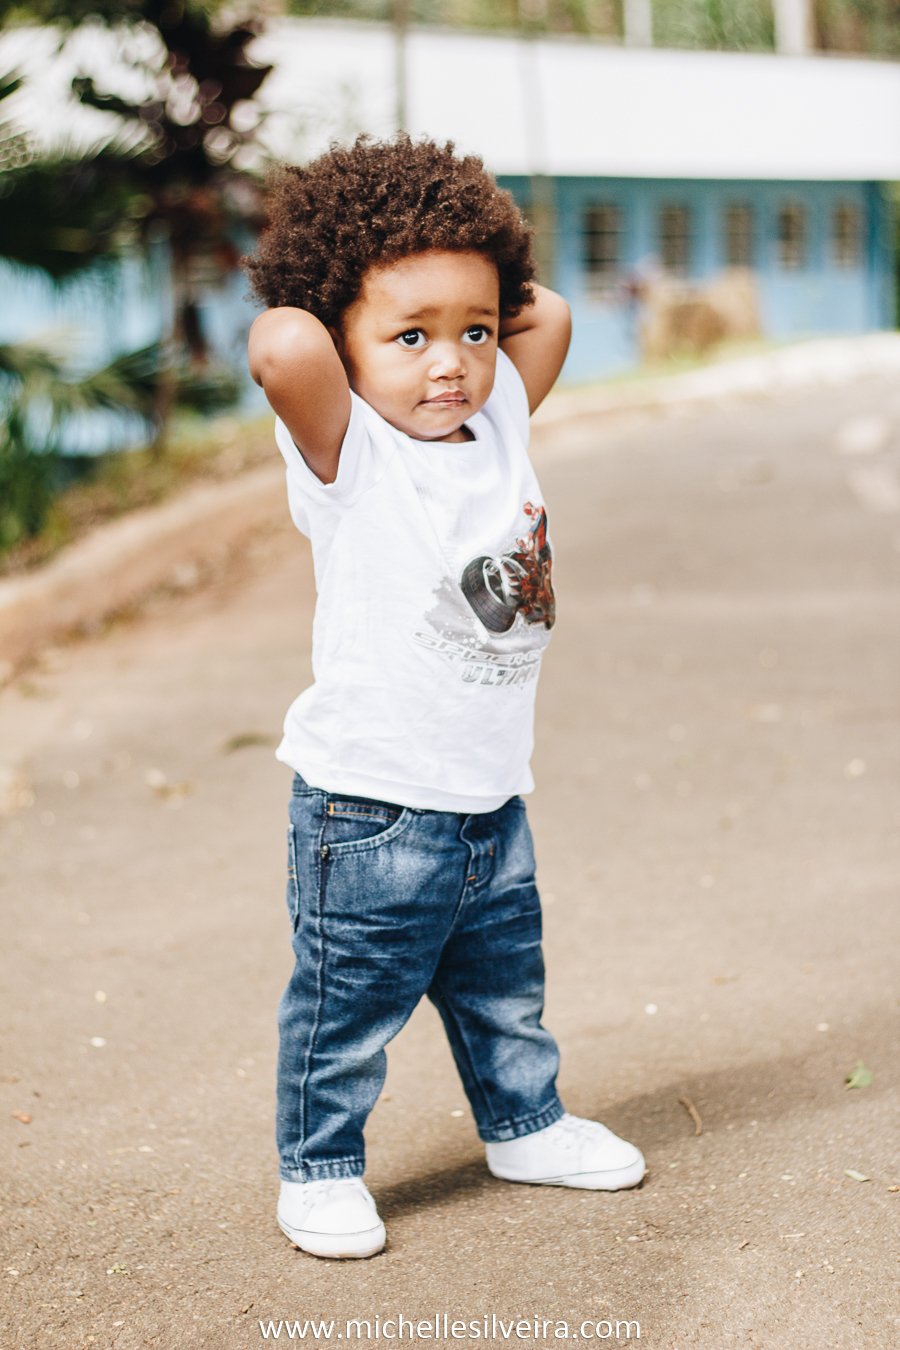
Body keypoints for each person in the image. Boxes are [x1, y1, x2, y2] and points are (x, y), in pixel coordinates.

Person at [246, 136, 644, 1261]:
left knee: (504, 990)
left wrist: (475, 291)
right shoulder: (350, 453)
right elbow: (281, 343)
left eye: (472, 332)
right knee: (348, 1012)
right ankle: (319, 1169)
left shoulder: (499, 416)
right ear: (344, 338)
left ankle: (525, 1124)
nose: (451, 364)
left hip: (487, 794)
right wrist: (327, 303)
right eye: (409, 338)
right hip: (371, 809)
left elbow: (549, 311)